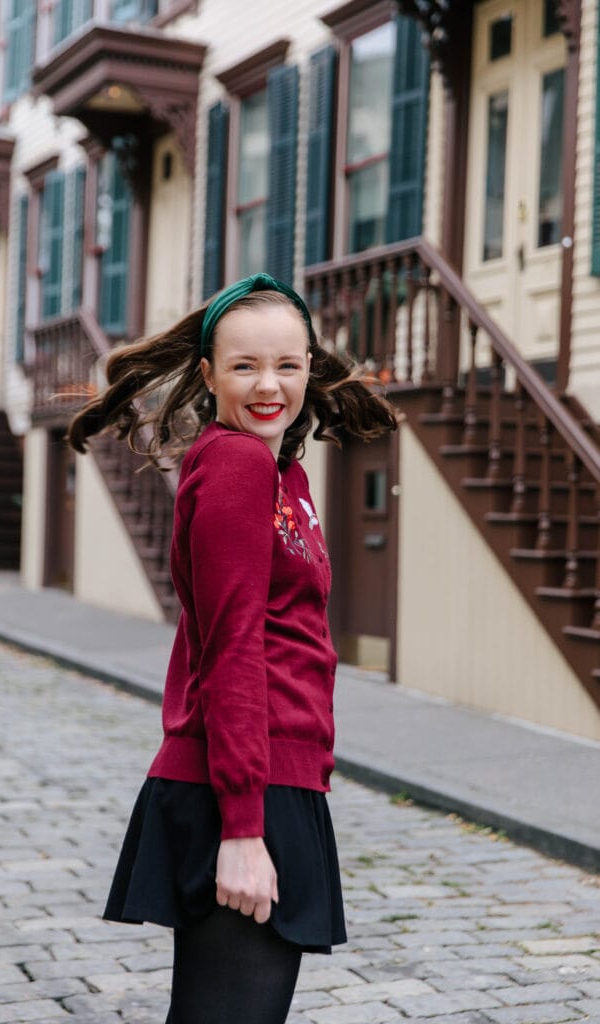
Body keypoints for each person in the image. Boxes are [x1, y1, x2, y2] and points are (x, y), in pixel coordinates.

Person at [68, 272, 398, 1024]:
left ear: (310, 367)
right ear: (209, 373)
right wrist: (244, 830)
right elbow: (233, 648)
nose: (267, 385)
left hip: (275, 775)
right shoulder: (236, 464)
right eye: (244, 365)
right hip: (242, 786)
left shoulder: (286, 473)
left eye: (286, 364)